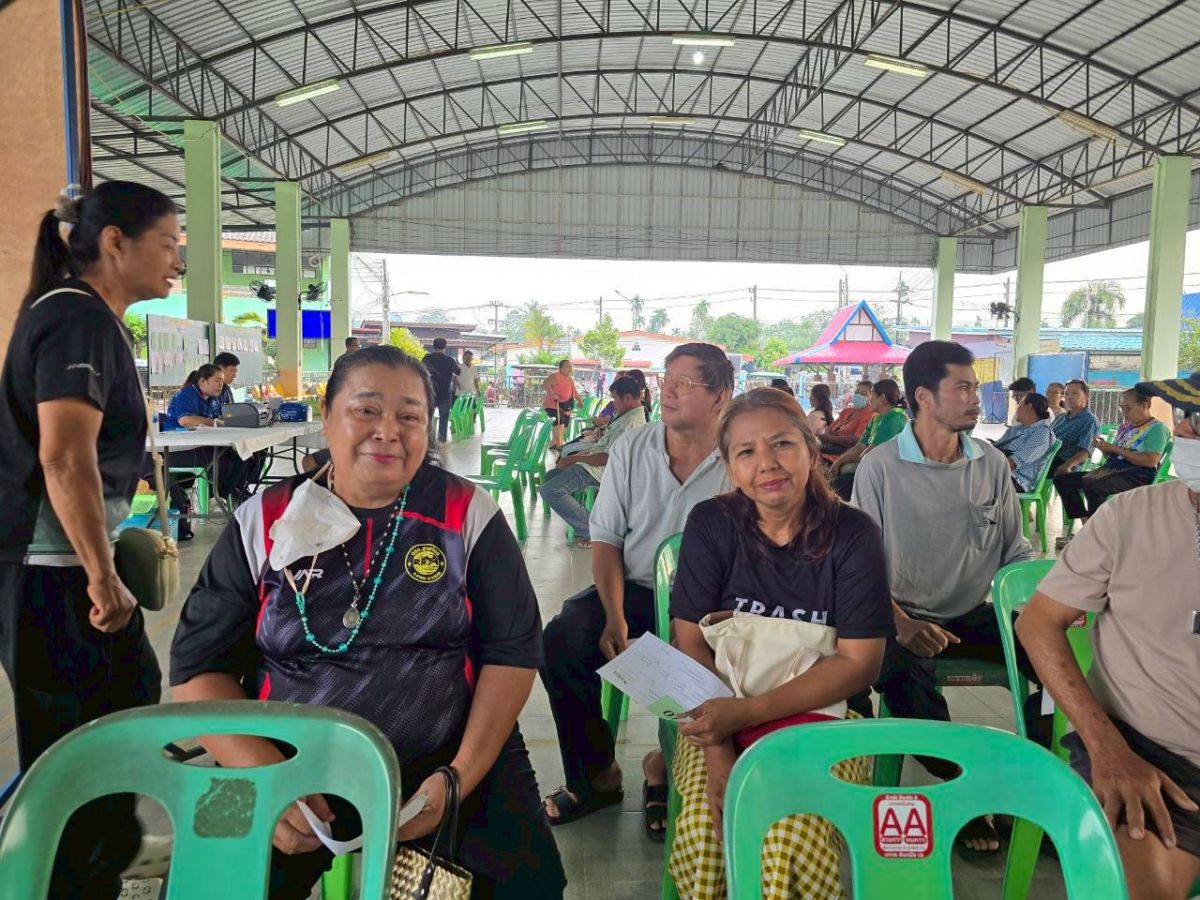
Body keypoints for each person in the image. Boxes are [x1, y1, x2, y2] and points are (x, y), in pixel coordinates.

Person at [169, 345, 565, 899]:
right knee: (207, 886)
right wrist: (266, 774)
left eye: (409, 416)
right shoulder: (264, 519)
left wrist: (459, 777)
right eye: (366, 410)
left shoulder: (465, 513)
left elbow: (512, 651)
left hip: (447, 756)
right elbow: (195, 672)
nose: (388, 432)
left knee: (531, 886)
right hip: (285, 761)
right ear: (327, 417)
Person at [0, 182, 177, 898]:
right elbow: (65, 456)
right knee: (75, 741)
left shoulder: (80, 316)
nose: (177, 260)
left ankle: (108, 844)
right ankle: (77, 870)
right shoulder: (77, 317)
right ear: (115, 243)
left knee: (126, 692)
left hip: (58, 562)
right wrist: (100, 575)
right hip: (53, 568)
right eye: (166, 243)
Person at [666, 388, 892, 899]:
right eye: (746, 452)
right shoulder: (712, 523)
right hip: (714, 712)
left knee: (790, 833)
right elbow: (689, 642)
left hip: (828, 720)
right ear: (730, 466)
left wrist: (746, 713)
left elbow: (859, 664)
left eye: (782, 444)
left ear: (812, 451)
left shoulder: (854, 534)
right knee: (706, 829)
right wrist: (719, 749)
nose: (766, 463)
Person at [1015, 373, 1200, 900]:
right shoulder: (1134, 517)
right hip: (1151, 758)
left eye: (1198, 421)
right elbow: (1038, 622)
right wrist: (1108, 750)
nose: (1185, 431)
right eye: (1185, 418)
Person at [851, 341, 1038, 854]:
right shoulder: (881, 467)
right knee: (900, 674)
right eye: (963, 388)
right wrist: (901, 622)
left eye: (975, 387)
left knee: (1060, 656)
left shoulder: (990, 463)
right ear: (923, 397)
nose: (976, 398)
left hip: (971, 613)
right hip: (896, 615)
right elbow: (859, 567)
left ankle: (1039, 780)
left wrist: (1043, 606)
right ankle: (963, 786)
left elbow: (1015, 550)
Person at [540, 344, 734, 834]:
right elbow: (606, 538)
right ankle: (596, 775)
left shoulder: (740, 454)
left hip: (718, 609)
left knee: (739, 667)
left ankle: (667, 766)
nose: (668, 390)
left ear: (720, 396)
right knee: (562, 639)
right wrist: (614, 614)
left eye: (686, 383)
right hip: (638, 592)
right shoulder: (633, 448)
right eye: (667, 379)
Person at [539, 375, 648, 548]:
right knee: (551, 476)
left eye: (615, 399)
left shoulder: (632, 423)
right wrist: (580, 454)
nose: (613, 403)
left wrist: (574, 458)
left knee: (550, 490)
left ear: (627, 398)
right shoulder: (626, 415)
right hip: (594, 463)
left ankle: (593, 531)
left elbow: (608, 457)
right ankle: (584, 520)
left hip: (602, 470)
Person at [1053, 386, 1170, 527]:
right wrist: (1104, 448)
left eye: (1128, 408)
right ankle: (1087, 523)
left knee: (1093, 483)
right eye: (1122, 408)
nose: (1124, 412)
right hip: (1113, 471)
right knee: (1062, 479)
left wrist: (1115, 449)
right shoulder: (1126, 427)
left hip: (1137, 475)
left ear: (1145, 405)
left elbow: (1150, 461)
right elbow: (1112, 457)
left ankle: (1097, 529)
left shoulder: (1157, 428)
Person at [162, 365, 250, 539]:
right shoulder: (187, 395)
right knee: (223, 461)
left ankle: (220, 496)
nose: (221, 385)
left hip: (201, 445)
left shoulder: (212, 398)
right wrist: (213, 423)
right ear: (203, 381)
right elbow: (185, 420)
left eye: (222, 381)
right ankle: (213, 497)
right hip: (180, 450)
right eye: (217, 380)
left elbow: (219, 417)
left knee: (243, 455)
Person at [827, 379, 907, 501]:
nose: (869, 398)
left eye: (871, 394)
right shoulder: (876, 418)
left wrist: (848, 465)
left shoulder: (894, 418)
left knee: (841, 484)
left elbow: (871, 453)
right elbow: (860, 446)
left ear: (882, 398)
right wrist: (837, 463)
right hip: (872, 468)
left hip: (889, 475)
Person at [994, 392, 1055, 494]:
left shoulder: (1042, 433)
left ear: (1029, 407)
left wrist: (987, 468)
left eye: (1020, 405)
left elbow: (1013, 463)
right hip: (1000, 469)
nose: (1017, 410)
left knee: (975, 479)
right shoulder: (1016, 429)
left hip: (1016, 479)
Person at [1050, 379, 1100, 475]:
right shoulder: (1061, 417)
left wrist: (1066, 466)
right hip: (1045, 458)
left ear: (1087, 396)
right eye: (1066, 394)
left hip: (1061, 463)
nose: (1069, 397)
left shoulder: (1089, 420)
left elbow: (1085, 452)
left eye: (1075, 393)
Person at [819, 380, 875, 464]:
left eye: (863, 393)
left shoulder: (870, 415)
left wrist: (831, 439)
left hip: (843, 454)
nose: (858, 395)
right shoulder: (847, 411)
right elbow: (829, 428)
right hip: (828, 448)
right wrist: (826, 437)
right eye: (857, 392)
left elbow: (857, 440)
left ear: (871, 396)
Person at [421, 337, 460, 445]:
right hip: (445, 393)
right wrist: (455, 364)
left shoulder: (427, 359)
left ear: (433, 346)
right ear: (445, 347)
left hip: (430, 393)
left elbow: (420, 371)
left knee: (428, 418)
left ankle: (429, 440)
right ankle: (441, 440)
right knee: (444, 418)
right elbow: (458, 372)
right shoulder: (449, 360)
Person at [542, 359, 582, 451]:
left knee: (564, 425)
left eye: (570, 366)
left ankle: (554, 443)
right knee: (560, 422)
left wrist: (580, 401)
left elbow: (574, 391)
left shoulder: (570, 379)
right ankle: (559, 444)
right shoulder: (556, 376)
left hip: (566, 406)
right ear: (560, 368)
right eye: (567, 366)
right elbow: (545, 384)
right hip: (553, 405)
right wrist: (553, 395)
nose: (570, 368)